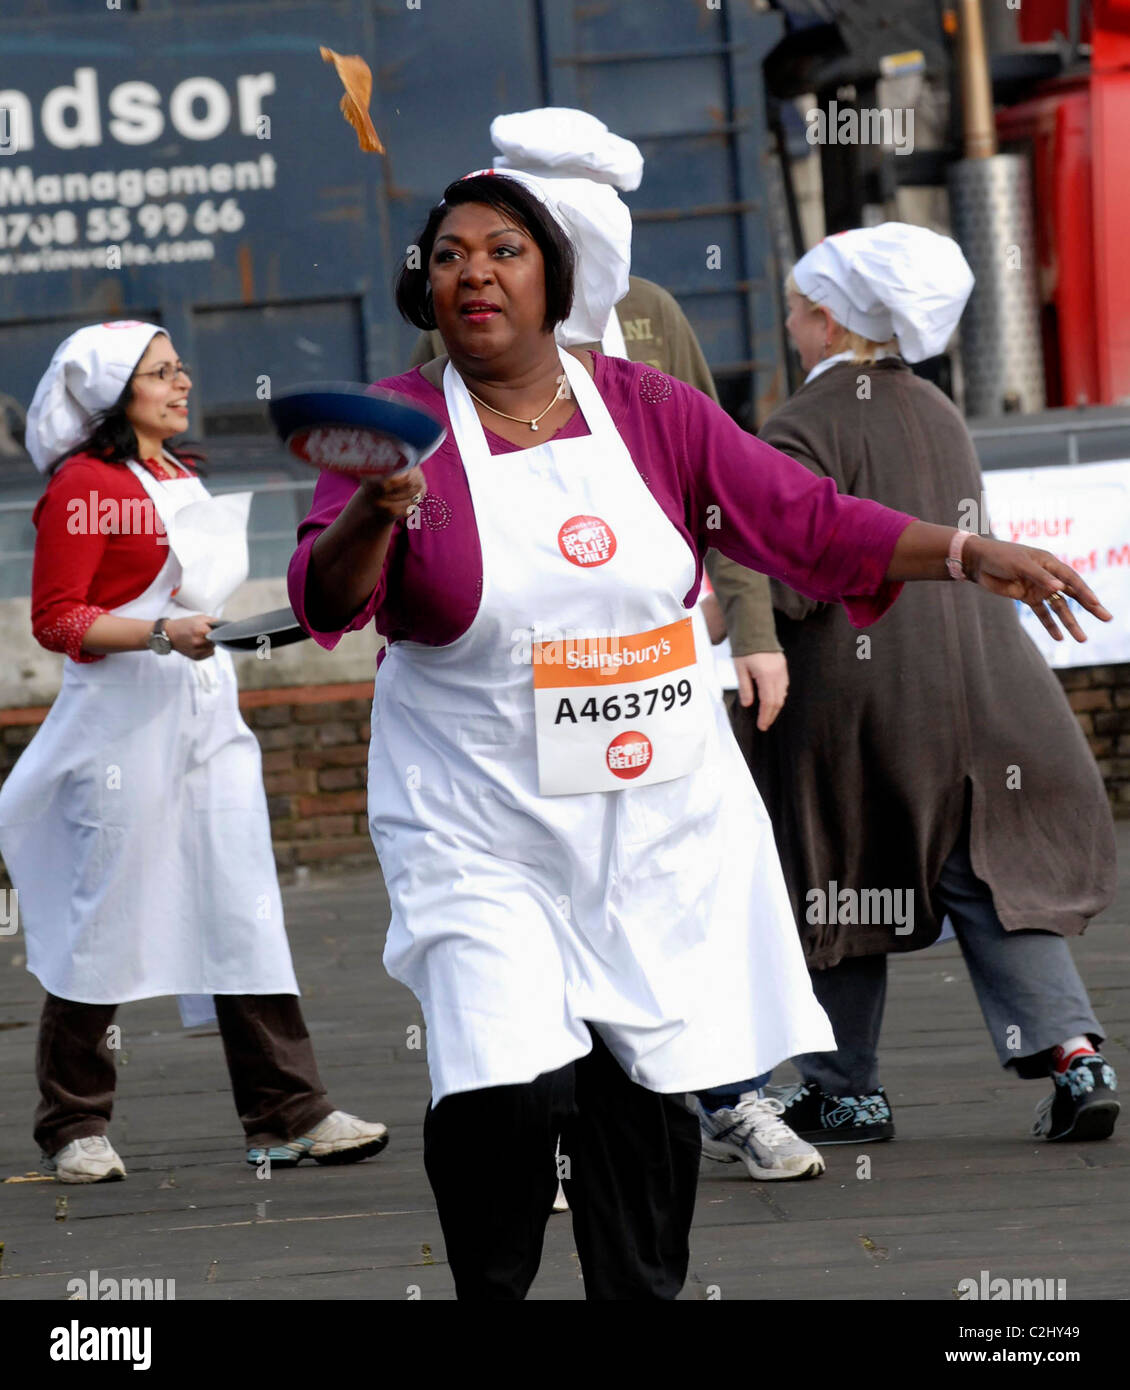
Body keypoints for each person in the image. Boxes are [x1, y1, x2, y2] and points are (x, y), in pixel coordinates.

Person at [288, 173, 1108, 1300]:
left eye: (504, 250)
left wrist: (967, 555)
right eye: (447, 255)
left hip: (654, 822)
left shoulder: (649, 408)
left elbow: (798, 516)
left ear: (553, 278)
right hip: (477, 823)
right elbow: (325, 600)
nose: (472, 271)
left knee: (643, 1090)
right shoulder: (394, 429)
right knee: (504, 1085)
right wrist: (377, 513)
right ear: (422, 288)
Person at [411, 108, 806, 1185]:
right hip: (509, 696)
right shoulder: (459, 331)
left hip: (652, 674)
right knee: (514, 921)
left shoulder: (654, 321)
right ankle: (534, 1129)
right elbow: (422, 515)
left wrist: (750, 632)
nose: (487, 271)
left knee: (672, 896)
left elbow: (729, 494)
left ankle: (728, 1095)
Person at [712, 223, 1120, 1146]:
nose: (788, 326)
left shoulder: (800, 424)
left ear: (824, 320)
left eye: (793, 311)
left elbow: (794, 571)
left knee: (840, 873)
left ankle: (843, 1086)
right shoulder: (937, 409)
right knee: (989, 872)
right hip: (984, 682)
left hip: (863, 696)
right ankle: (1073, 1056)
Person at [0, 322, 389, 1183]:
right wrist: (160, 633)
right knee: (105, 914)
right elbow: (57, 621)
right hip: (119, 728)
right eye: (160, 374)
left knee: (241, 902)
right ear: (112, 395)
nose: (182, 385)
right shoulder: (83, 487)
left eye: (179, 370)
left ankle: (290, 1114)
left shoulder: (179, 473)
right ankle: (72, 1123)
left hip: (209, 716)